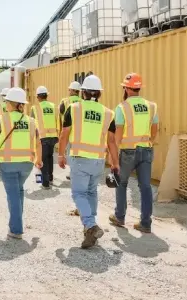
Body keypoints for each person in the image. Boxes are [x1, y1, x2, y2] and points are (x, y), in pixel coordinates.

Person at [58, 75, 120, 249]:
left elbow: (64, 134)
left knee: (79, 194)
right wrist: (115, 163)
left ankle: (91, 225)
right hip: (98, 161)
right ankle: (89, 229)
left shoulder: (74, 108)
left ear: (83, 92)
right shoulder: (108, 113)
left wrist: (61, 155)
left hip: (79, 159)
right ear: (99, 93)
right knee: (92, 193)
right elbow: (112, 141)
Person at [0, 87, 42, 239]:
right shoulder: (31, 121)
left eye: (7, 102)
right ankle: (16, 222)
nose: (6, 104)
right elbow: (38, 142)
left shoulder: (2, 118)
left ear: (11, 104)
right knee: (19, 191)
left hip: (7, 163)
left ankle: (16, 229)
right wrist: (39, 160)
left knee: (13, 195)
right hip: (26, 164)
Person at [109, 73, 159, 234]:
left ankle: (120, 217)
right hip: (146, 149)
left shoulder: (122, 107)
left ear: (126, 88)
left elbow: (118, 133)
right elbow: (155, 128)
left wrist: (113, 156)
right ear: (138, 88)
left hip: (128, 151)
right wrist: (148, 140)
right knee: (145, 186)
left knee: (121, 183)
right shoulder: (151, 106)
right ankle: (145, 223)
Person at [31, 86, 58, 189]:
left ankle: (45, 182)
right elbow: (57, 120)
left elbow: (32, 123)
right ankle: (50, 178)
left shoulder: (35, 108)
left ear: (38, 97)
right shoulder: (53, 106)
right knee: (50, 157)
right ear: (46, 95)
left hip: (42, 137)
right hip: (53, 136)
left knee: (43, 159)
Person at [58, 81, 82, 181]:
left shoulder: (64, 101)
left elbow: (60, 114)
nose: (68, 91)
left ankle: (72, 172)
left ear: (72, 90)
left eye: (69, 89)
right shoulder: (82, 101)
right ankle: (78, 171)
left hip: (68, 130)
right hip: (79, 130)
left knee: (69, 151)